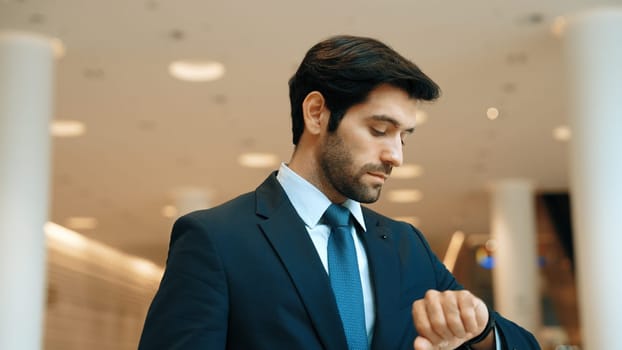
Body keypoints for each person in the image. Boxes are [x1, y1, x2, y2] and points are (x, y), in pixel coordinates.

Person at [138, 35, 540, 350]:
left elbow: (522, 343)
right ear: (316, 113)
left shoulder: (406, 245)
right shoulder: (216, 240)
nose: (395, 155)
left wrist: (481, 329)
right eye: (379, 131)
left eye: (404, 137)